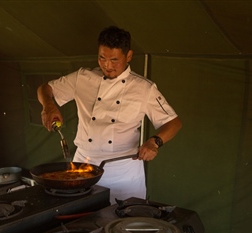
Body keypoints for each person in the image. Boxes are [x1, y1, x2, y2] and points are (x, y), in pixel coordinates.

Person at [37, 26, 182, 204]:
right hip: (82, 166)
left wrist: (155, 142)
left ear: (128, 56)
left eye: (114, 60)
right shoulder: (82, 78)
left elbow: (173, 122)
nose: (107, 66)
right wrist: (48, 105)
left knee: (123, 224)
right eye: (102, 58)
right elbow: (45, 89)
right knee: (80, 222)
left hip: (123, 171)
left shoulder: (144, 88)